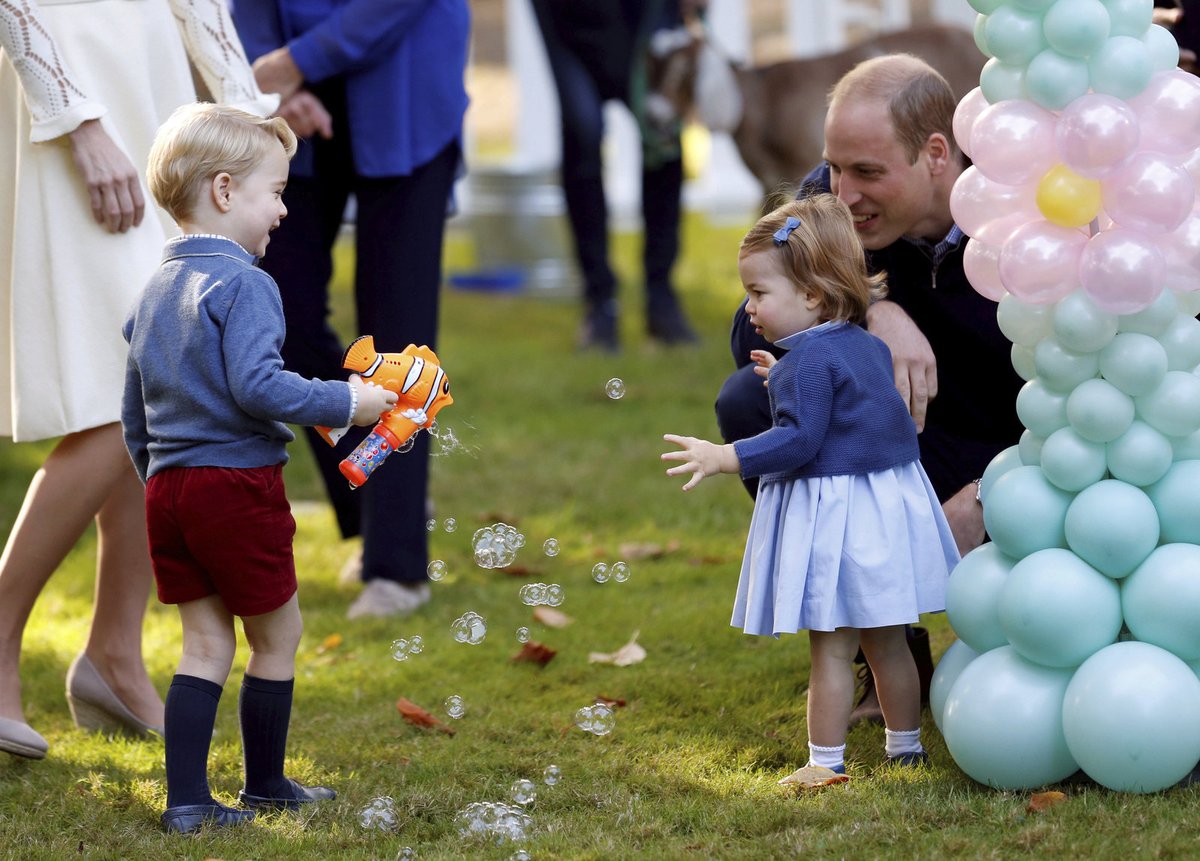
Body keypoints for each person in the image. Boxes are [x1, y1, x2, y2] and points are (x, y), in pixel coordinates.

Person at [0, 0, 277, 760]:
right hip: (63, 84)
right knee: (118, 381)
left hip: (153, 88)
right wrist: (77, 124)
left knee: (156, 382)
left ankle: (115, 654)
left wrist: (246, 118)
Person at [714, 54, 1023, 726]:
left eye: (868, 173)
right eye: (834, 168)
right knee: (751, 401)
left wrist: (994, 493)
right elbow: (753, 330)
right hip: (905, 450)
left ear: (936, 154)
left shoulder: (1024, 208)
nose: (842, 194)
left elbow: (1094, 399)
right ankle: (888, 652)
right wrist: (865, 312)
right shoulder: (832, 201)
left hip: (1027, 462)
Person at [123, 103, 397, 834]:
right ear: (223, 191)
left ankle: (186, 802)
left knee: (205, 642)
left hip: (171, 489)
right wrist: (349, 401)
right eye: (274, 191)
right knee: (277, 636)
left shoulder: (152, 291)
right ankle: (267, 783)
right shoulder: (246, 284)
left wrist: (160, 477)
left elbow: (133, 412)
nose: (282, 209)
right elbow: (258, 384)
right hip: (234, 486)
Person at [663, 195, 960, 777]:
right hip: (881, 513)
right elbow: (859, 408)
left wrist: (726, 455)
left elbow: (799, 442)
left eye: (758, 293)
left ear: (812, 296)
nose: (749, 307)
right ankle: (906, 746)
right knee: (886, 642)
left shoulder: (807, 364)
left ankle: (825, 762)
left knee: (830, 646)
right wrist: (789, 378)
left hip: (837, 522)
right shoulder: (868, 345)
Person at [230, 0, 470, 619]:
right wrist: (270, 82)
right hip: (288, 105)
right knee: (277, 317)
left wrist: (295, 61)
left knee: (398, 340)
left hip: (405, 83)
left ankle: (395, 564)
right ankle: (384, 503)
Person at [530, 0, 700, 351]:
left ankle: (661, 297)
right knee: (582, 135)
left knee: (662, 137)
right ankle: (600, 301)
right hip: (568, 19)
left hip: (646, 14)